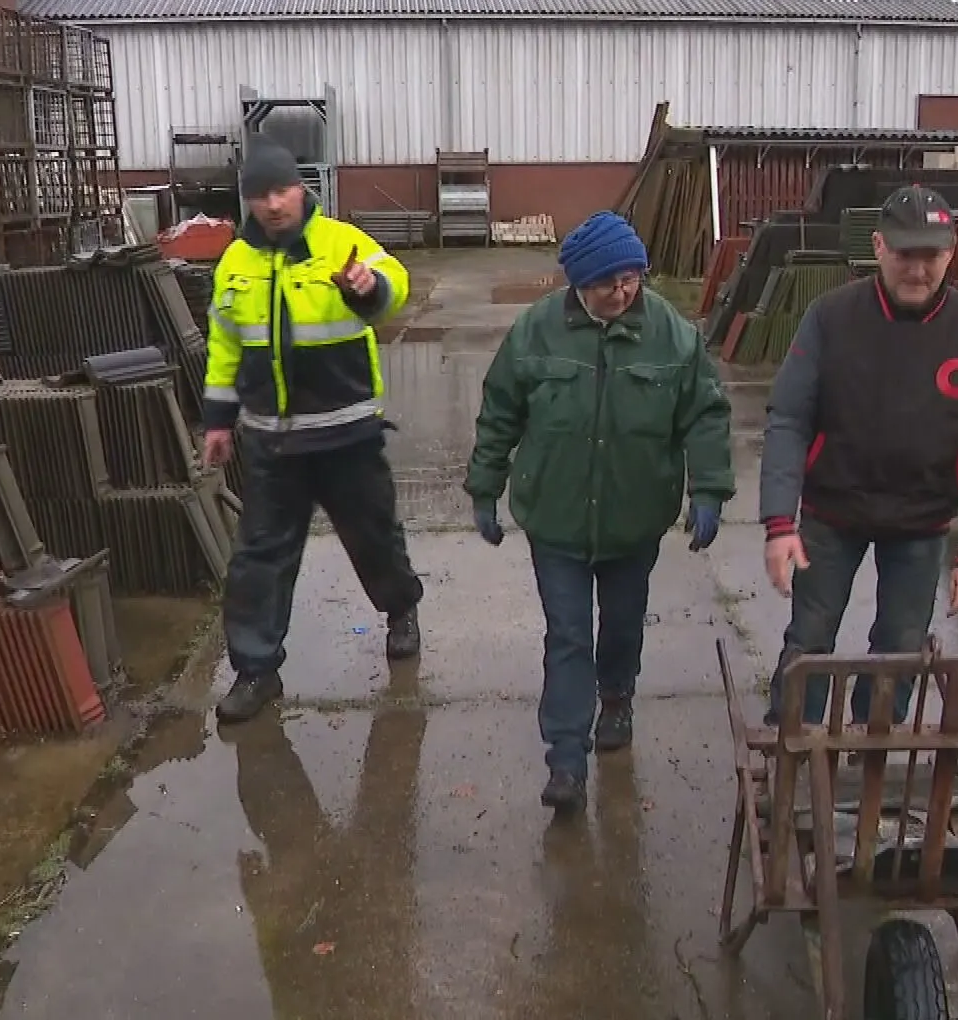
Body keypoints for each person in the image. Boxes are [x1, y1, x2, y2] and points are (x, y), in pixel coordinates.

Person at [465, 211, 734, 813]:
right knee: (567, 635)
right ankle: (565, 758)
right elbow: (500, 411)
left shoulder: (672, 334)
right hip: (555, 518)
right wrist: (485, 486)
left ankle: (617, 696)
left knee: (621, 624)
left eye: (632, 278)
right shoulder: (536, 332)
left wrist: (709, 489)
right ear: (578, 284)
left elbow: (705, 414)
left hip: (634, 518)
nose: (623, 291)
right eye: (608, 282)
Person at [759, 186, 958, 727]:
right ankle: (793, 739)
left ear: (951, 251)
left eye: (931, 255)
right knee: (811, 636)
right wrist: (780, 521)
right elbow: (788, 417)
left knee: (899, 647)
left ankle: (872, 742)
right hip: (833, 514)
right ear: (878, 246)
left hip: (921, 522)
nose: (917, 270)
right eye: (904, 254)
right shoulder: (831, 318)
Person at [202, 138, 425, 724]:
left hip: (346, 435)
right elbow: (225, 347)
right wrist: (218, 421)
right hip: (272, 444)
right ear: (247, 201)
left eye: (281, 191)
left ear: (301, 190)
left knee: (374, 539)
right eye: (259, 195)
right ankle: (255, 670)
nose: (273, 205)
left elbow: (394, 285)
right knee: (259, 559)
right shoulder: (234, 263)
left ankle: (400, 609)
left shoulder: (340, 242)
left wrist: (366, 287)